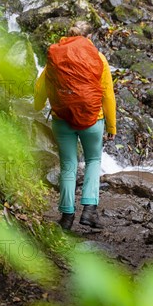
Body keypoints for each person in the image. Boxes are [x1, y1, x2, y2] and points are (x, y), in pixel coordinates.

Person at [34, 21, 116, 231]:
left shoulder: (56, 57)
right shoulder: (98, 58)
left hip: (62, 119)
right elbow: (107, 94)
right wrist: (111, 126)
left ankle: (67, 216)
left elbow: (42, 85)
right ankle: (89, 211)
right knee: (93, 161)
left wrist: (38, 105)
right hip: (92, 120)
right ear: (89, 38)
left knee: (69, 165)